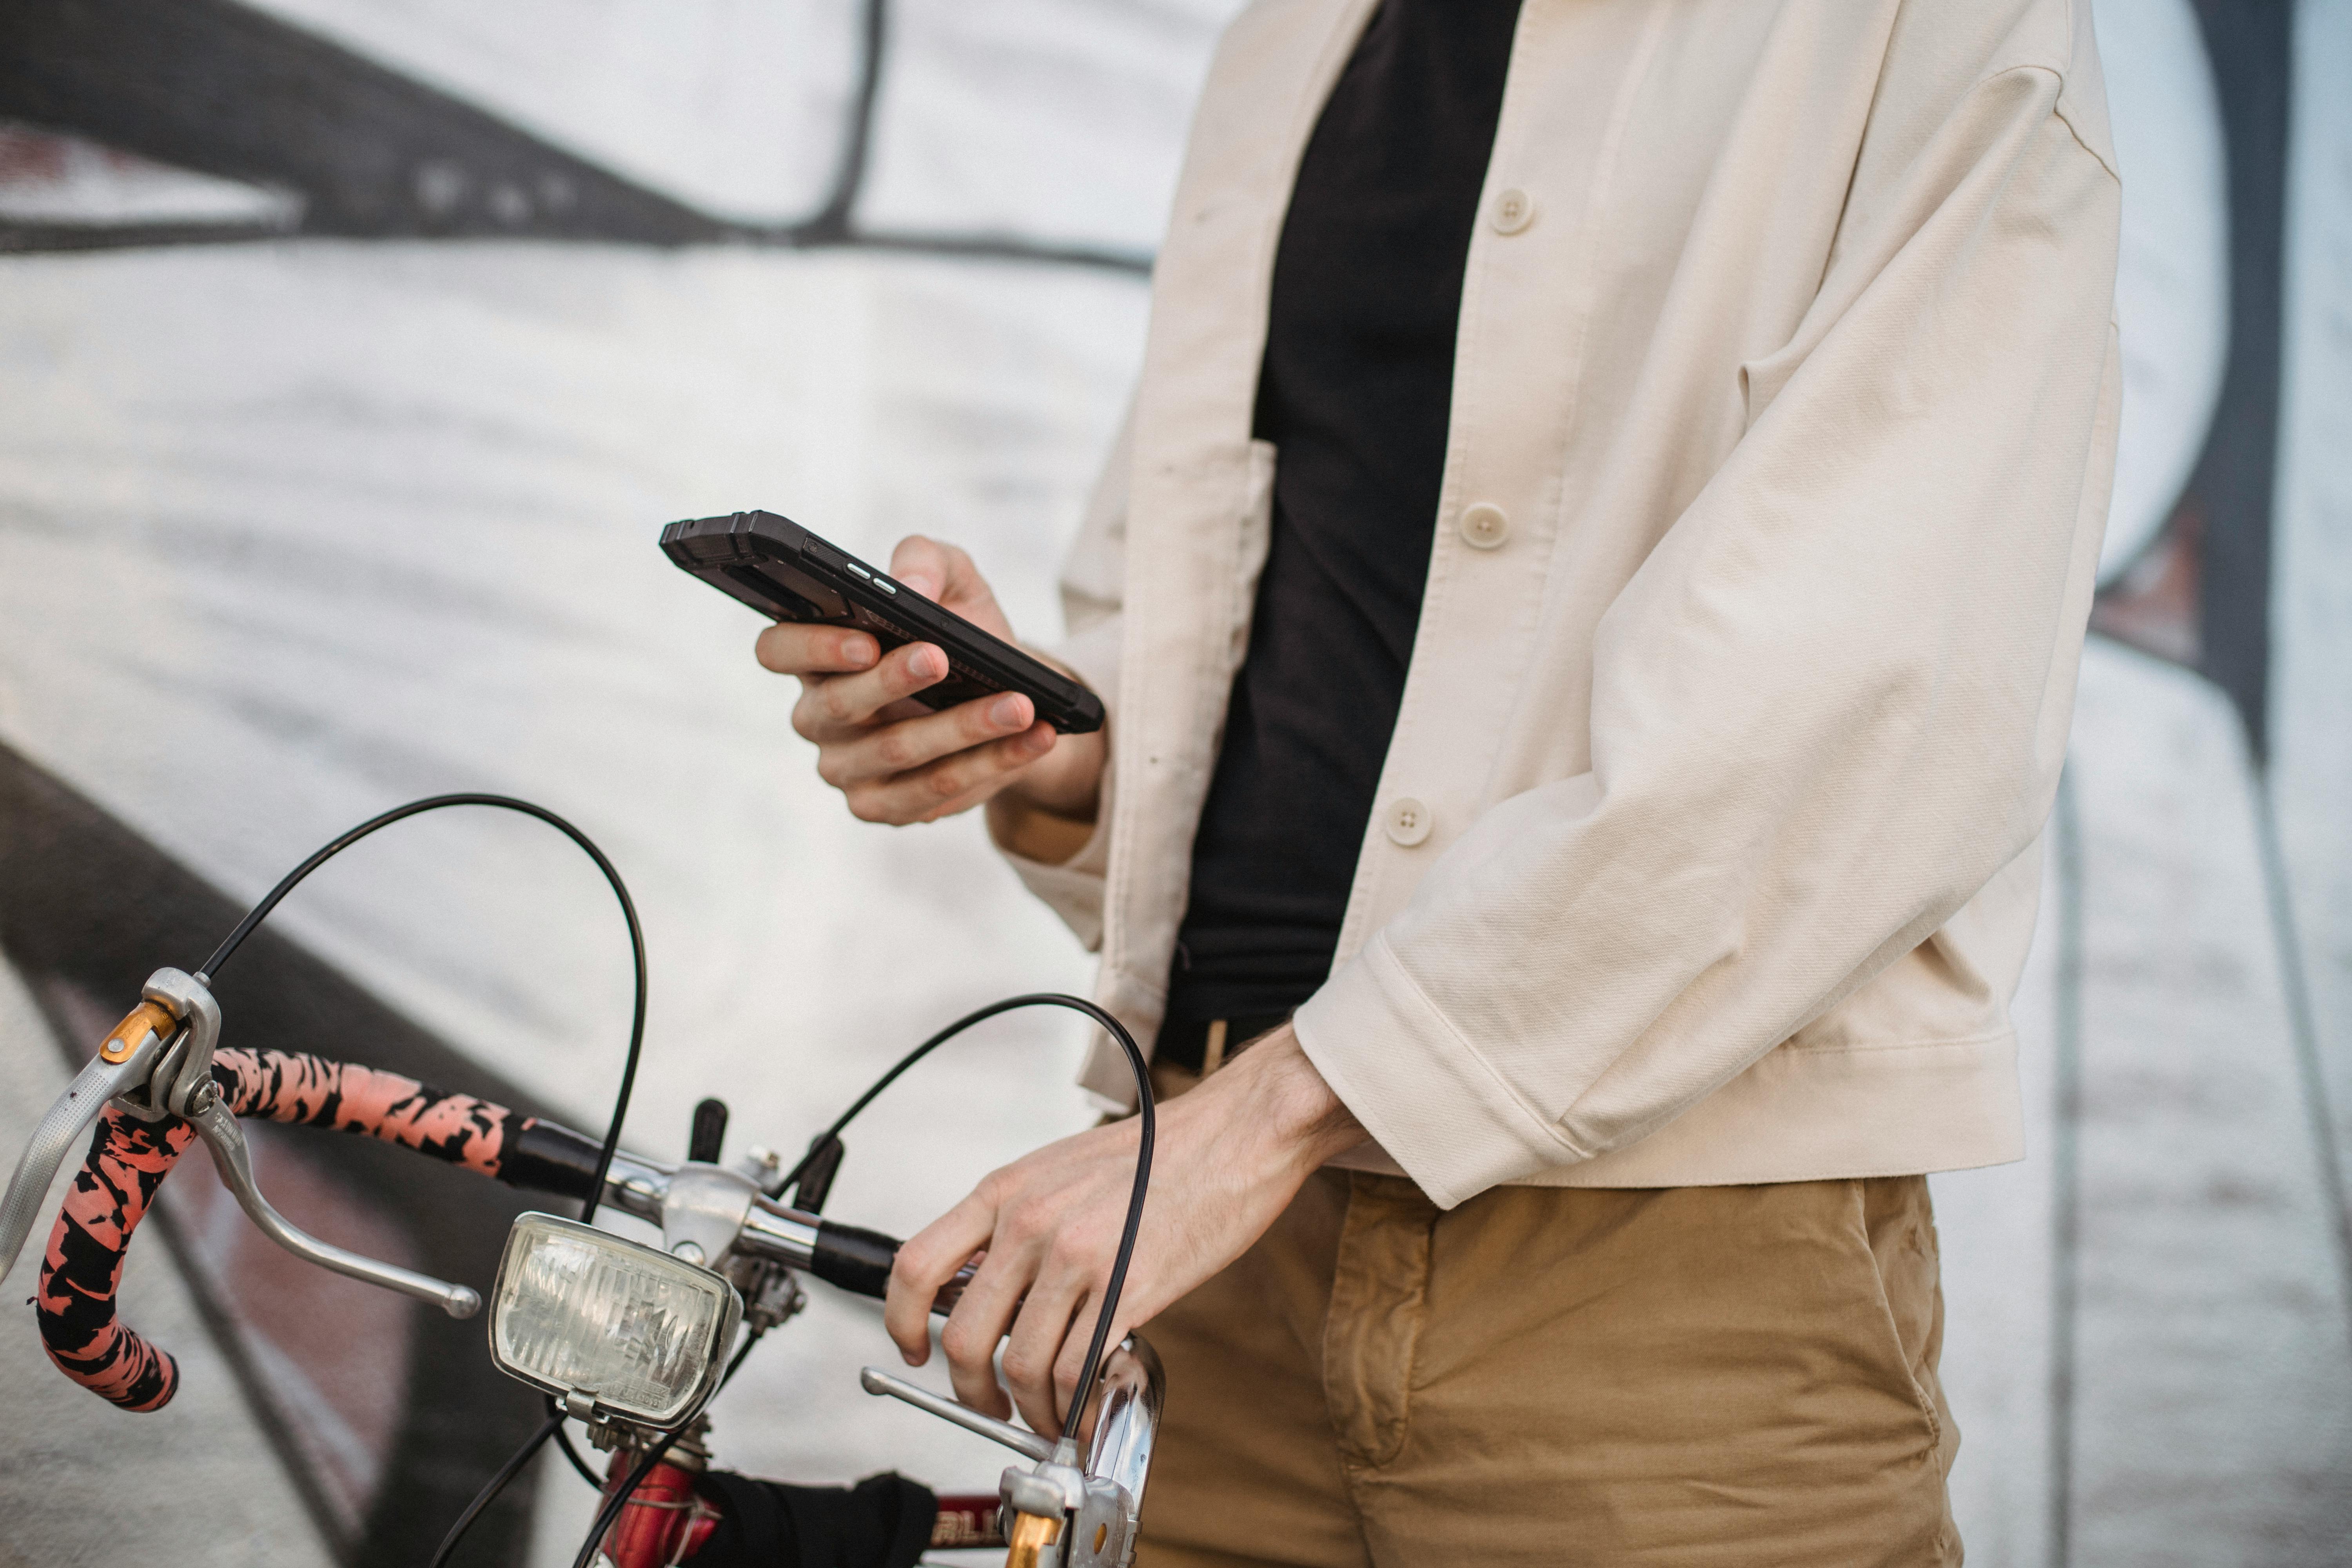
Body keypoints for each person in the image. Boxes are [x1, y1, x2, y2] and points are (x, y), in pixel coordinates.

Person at [757, 0, 2120, 1559]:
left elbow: (1862, 704)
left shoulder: (1929, 28)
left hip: (1662, 1288)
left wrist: (1263, 1121)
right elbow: (1280, 639)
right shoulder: (1302, 34)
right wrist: (1054, 747)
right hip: (1210, 1285)